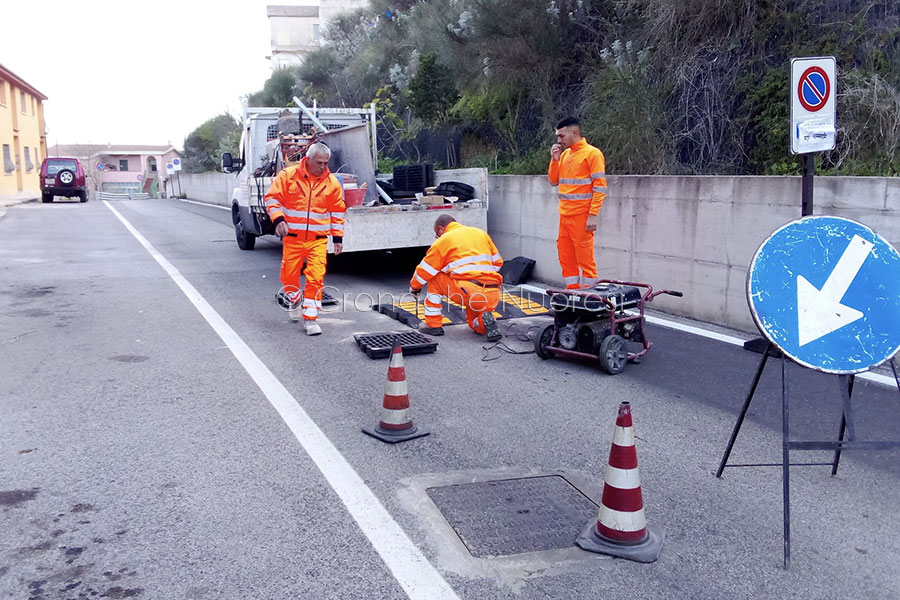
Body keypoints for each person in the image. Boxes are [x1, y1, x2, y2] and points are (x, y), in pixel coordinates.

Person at [265, 142, 345, 336]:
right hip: (293, 239)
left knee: (316, 278)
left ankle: (311, 319)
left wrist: (337, 238)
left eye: (326, 163)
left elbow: (337, 212)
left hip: (318, 240)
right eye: (319, 162)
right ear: (307, 160)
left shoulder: (332, 183)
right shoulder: (288, 176)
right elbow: (272, 199)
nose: (324, 167)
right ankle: (295, 298)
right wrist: (278, 219)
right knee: (288, 276)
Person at [409, 215, 504, 342]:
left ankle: (433, 325)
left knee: (434, 277)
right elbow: (498, 263)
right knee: (473, 323)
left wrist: (415, 287)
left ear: (440, 229)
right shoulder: (480, 233)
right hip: (492, 293)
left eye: (437, 235)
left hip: (469, 291)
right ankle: (483, 320)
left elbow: (425, 270)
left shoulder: (444, 240)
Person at [547, 116, 607, 289]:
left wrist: (593, 216)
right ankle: (572, 293)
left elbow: (600, 188)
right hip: (565, 216)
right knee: (566, 257)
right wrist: (554, 160)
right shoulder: (565, 155)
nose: (559, 140)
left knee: (585, 258)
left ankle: (590, 295)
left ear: (575, 133)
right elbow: (553, 181)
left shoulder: (592, 154)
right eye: (558, 137)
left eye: (562, 136)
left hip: (581, 216)